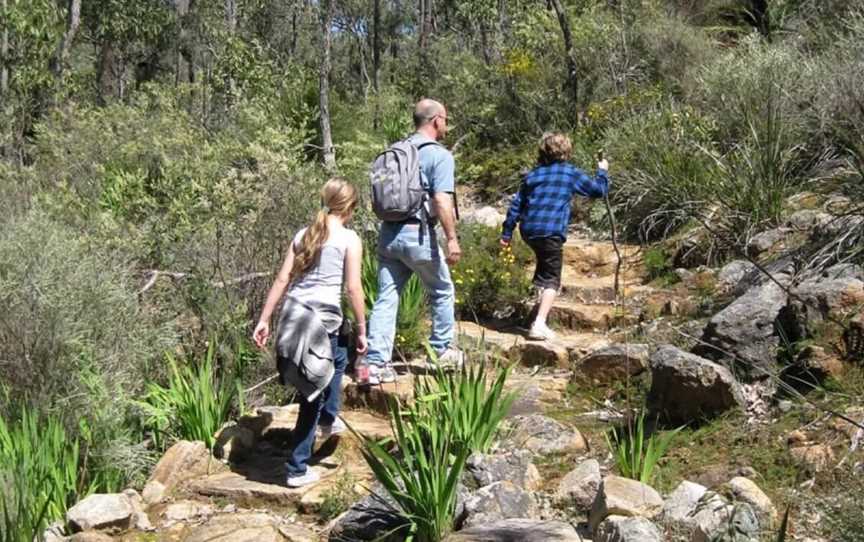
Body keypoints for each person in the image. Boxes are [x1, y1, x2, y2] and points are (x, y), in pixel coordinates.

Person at [252, 178, 367, 488]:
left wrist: (264, 319)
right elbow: (353, 288)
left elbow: (281, 280)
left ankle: (329, 420)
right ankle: (297, 467)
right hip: (321, 321)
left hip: (293, 316)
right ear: (349, 208)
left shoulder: (304, 235)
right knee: (311, 395)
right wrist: (362, 328)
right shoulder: (349, 238)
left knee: (338, 360)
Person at [365, 99, 462, 384]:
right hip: (417, 234)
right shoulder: (439, 156)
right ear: (436, 120)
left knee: (386, 298)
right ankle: (442, 351)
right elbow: (442, 201)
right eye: (445, 119)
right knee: (441, 289)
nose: (446, 124)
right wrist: (452, 239)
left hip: (388, 234)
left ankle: (375, 363)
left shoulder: (395, 150)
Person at [500, 132, 610, 341]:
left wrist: (506, 232)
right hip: (550, 231)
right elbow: (598, 191)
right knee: (552, 279)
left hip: (529, 231)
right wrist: (602, 171)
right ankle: (539, 324)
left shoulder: (533, 175)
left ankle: (536, 310)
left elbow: (516, 205)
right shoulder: (570, 173)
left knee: (543, 266)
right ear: (566, 151)